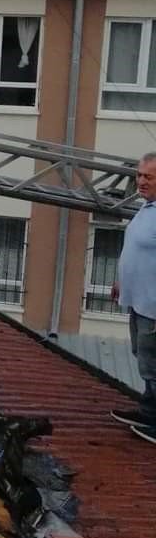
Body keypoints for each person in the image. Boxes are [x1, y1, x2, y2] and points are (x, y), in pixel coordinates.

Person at [110, 151, 156, 441]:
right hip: (138, 300)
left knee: (154, 365)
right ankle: (148, 412)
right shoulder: (147, 208)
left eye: (149, 177)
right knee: (144, 360)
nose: (141, 181)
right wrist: (120, 281)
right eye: (139, 175)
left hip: (154, 307)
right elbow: (137, 249)